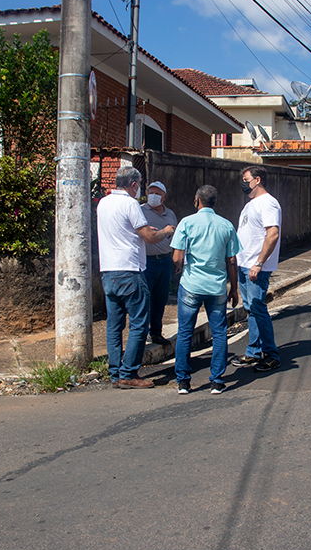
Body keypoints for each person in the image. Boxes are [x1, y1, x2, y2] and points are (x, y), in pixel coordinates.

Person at [97, 167, 175, 389]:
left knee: (114, 325)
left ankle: (115, 373)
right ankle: (129, 373)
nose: (140, 189)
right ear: (133, 184)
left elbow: (122, 229)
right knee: (140, 323)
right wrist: (165, 231)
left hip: (108, 271)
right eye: (140, 184)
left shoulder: (104, 202)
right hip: (130, 270)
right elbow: (150, 238)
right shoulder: (131, 204)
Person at [171, 185, 240, 394]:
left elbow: (177, 256)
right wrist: (234, 289)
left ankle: (183, 381)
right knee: (219, 333)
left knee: (184, 332)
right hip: (216, 287)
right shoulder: (226, 225)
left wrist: (179, 269)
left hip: (191, 284)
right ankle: (217, 380)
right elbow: (232, 260)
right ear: (214, 202)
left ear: (196, 200)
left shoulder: (187, 223)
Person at [231, 166, 282, 372]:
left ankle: (271, 355)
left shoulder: (268, 203)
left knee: (258, 308)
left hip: (256, 267)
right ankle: (253, 352)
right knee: (251, 309)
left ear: (257, 180)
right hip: (244, 264)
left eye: (246, 179)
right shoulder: (250, 204)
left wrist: (259, 263)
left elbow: (273, 234)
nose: (243, 183)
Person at [140, 181, 177, 346]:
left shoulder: (170, 214)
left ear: (164, 197)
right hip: (147, 262)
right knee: (144, 299)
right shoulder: (141, 211)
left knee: (160, 299)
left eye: (157, 193)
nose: (153, 196)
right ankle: (141, 334)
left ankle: (156, 332)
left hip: (165, 260)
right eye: (150, 193)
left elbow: (176, 237)